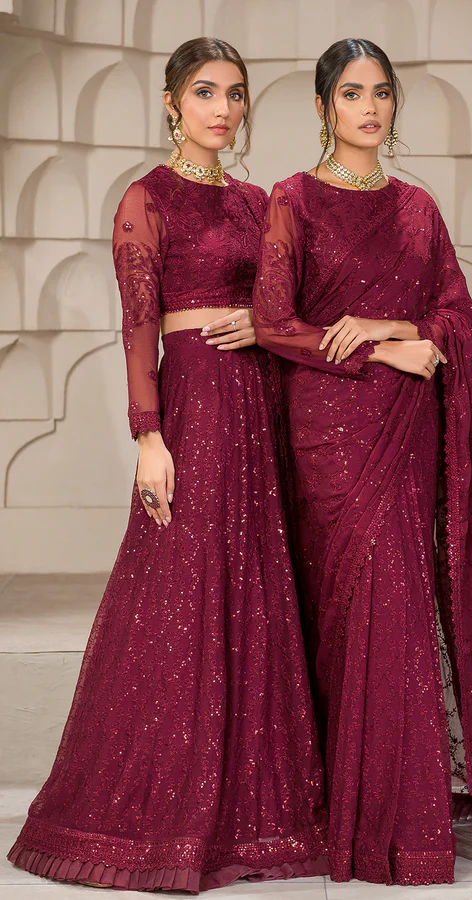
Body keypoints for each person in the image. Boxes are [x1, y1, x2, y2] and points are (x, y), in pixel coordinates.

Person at [252, 37, 472, 887]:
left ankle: (398, 825)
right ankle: (338, 807)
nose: (369, 107)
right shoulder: (292, 199)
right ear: (324, 106)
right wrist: (379, 353)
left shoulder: (416, 208)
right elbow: (273, 322)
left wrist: (397, 329)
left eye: (381, 92)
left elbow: (459, 316)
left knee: (397, 608)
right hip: (328, 431)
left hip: (402, 428)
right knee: (338, 608)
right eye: (351, 93)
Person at [8, 37, 327, 893]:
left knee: (259, 581)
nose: (223, 109)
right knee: (183, 587)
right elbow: (138, 324)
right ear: (171, 104)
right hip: (193, 405)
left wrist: (264, 327)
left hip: (260, 403)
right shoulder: (145, 198)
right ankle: (165, 809)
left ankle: (259, 808)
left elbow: (288, 307)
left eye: (235, 93)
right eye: (205, 92)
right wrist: (148, 436)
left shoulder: (260, 202)